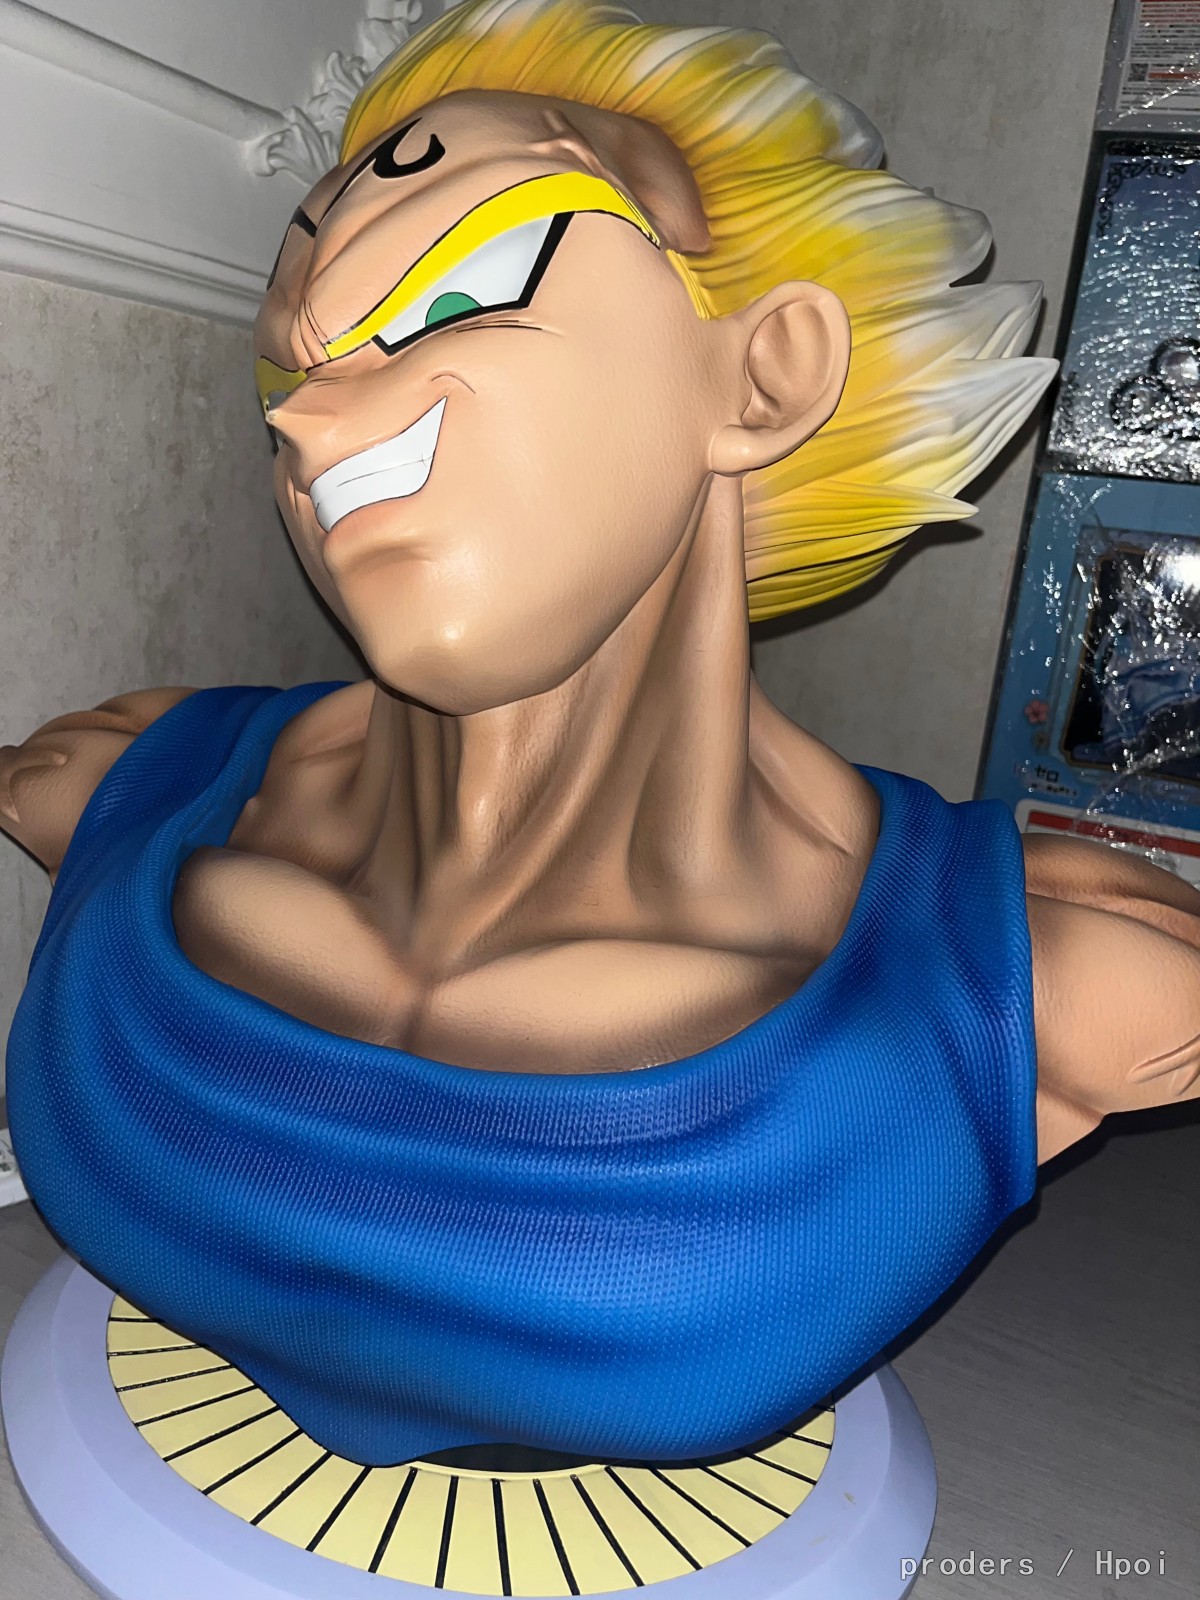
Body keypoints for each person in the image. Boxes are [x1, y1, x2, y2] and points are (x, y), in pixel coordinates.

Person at [3, 0, 1199, 1469]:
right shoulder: (119, 781)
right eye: (294, 372)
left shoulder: (1054, 979)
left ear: (759, 377)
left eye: (456, 294)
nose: (313, 429)